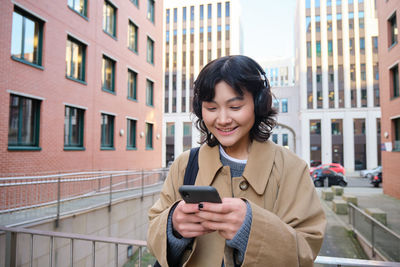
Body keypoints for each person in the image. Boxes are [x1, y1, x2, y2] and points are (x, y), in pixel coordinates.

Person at [147, 55, 326, 267]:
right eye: (211, 108)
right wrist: (173, 226)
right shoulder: (185, 163)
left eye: (235, 107)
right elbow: (153, 230)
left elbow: (305, 251)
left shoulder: (291, 168)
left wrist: (251, 229)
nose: (222, 119)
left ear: (258, 105)